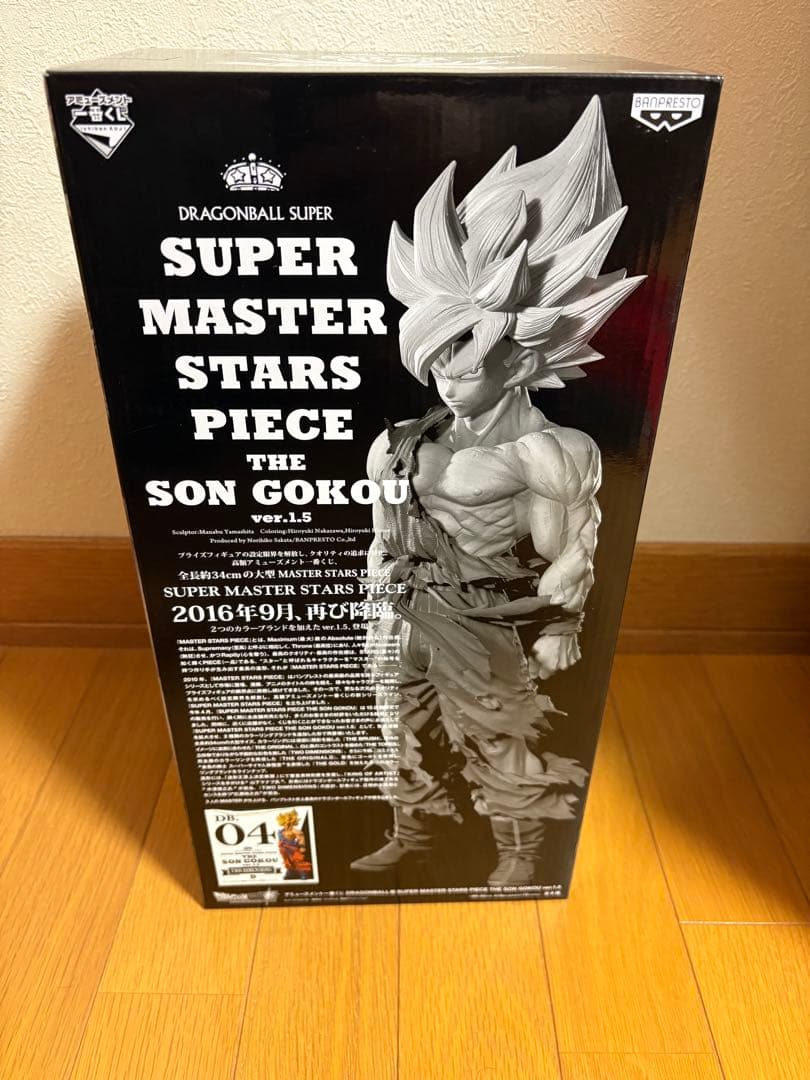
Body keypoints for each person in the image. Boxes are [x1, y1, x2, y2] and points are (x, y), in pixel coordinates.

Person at [350, 97, 643, 886]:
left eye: (466, 359)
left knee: (498, 736)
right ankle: (416, 834)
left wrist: (565, 622)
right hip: (404, 610)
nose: (447, 379)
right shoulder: (400, 442)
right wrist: (376, 601)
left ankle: (519, 856)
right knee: (398, 727)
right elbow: (382, 533)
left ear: (518, 358)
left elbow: (573, 547)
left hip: (481, 616)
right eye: (435, 361)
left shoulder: (547, 453)